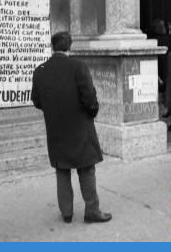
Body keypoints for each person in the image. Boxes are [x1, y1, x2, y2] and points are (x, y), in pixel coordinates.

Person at [31, 32, 112, 224]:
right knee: (86, 169)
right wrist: (91, 113)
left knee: (62, 169)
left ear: (52, 47)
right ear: (70, 47)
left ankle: (66, 213)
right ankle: (92, 211)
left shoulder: (40, 70)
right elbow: (90, 98)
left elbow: (36, 101)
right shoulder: (78, 66)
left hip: (56, 128)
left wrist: (52, 112)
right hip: (80, 126)